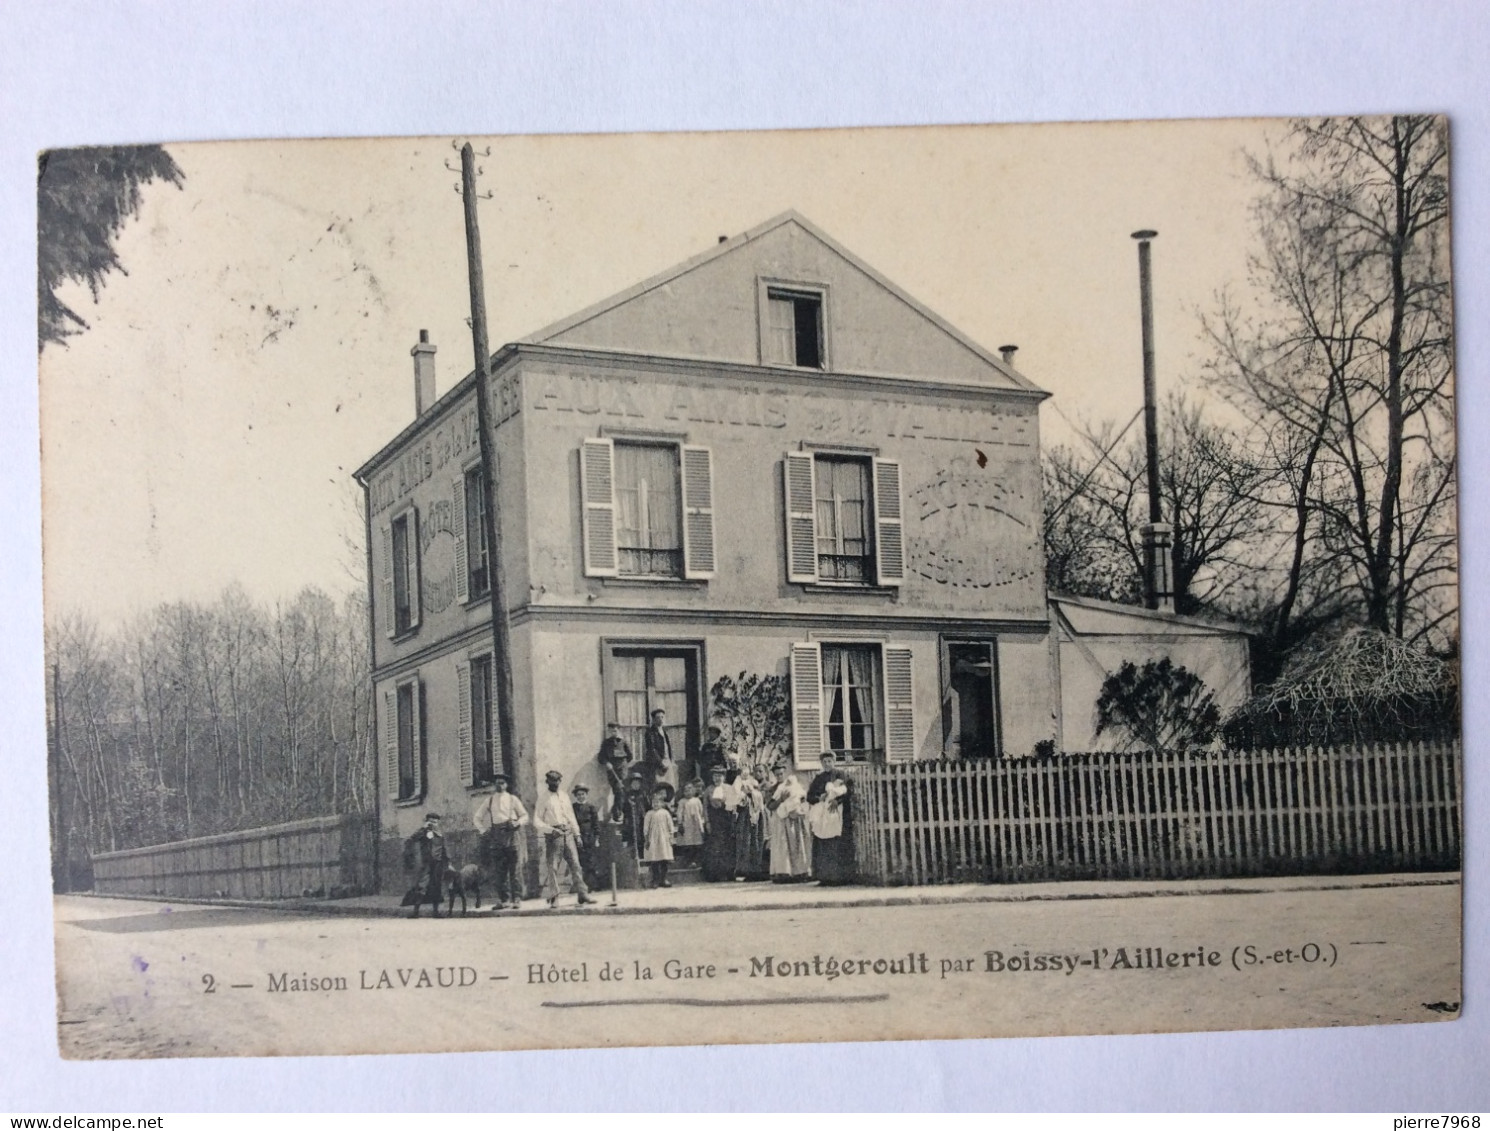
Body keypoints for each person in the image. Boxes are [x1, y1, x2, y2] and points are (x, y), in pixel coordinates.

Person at [533, 769, 599, 908]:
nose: (555, 783)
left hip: (568, 833)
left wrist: (577, 834)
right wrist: (551, 830)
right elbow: (536, 821)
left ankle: (582, 894)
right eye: (552, 781)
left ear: (560, 781)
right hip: (553, 835)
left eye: (557, 781)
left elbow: (571, 816)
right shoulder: (543, 798)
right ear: (547, 782)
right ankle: (554, 897)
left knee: (576, 864)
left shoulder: (564, 796)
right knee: (553, 867)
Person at [471, 772, 528, 909]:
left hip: (512, 835)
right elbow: (477, 817)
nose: (499, 785)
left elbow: (525, 816)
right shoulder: (489, 800)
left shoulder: (513, 799)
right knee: (499, 871)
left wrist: (518, 823)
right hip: (496, 837)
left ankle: (517, 899)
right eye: (497, 783)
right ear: (494, 785)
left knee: (515, 869)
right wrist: (483, 831)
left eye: (502, 783)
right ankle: (504, 900)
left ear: (506, 785)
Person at [806, 751, 854, 885]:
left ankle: (840, 877)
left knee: (837, 843)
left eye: (829, 761)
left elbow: (848, 791)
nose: (827, 764)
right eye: (824, 761)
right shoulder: (819, 778)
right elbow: (809, 796)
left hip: (837, 814)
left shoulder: (841, 775)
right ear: (821, 763)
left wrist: (837, 801)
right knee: (822, 843)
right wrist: (818, 798)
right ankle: (824, 877)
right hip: (822, 816)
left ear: (834, 762)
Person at [766, 765, 813, 882]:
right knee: (783, 846)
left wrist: (801, 801)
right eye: (777, 774)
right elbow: (770, 806)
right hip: (781, 820)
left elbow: (802, 798)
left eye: (781, 774)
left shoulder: (794, 786)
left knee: (797, 843)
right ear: (774, 775)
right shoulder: (773, 789)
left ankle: (800, 871)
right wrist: (781, 799)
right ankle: (784, 872)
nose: (780, 776)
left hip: (795, 818)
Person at [401, 813, 450, 918]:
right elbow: (412, 839)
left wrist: (448, 863)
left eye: (435, 822)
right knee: (422, 886)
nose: (433, 824)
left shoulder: (440, 834)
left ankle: (436, 912)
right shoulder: (423, 833)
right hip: (426, 864)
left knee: (437, 886)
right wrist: (423, 828)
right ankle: (415, 912)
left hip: (438, 864)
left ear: (438, 823)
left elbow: (444, 849)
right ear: (427, 822)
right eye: (431, 822)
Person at [732, 763, 768, 880]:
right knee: (746, 841)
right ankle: (746, 869)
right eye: (755, 772)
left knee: (758, 840)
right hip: (747, 815)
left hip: (759, 814)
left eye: (760, 771)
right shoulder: (744, 783)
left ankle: (758, 869)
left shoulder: (765, 785)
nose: (758, 774)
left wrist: (752, 793)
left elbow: (762, 799)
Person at [701, 764, 737, 882]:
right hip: (714, 820)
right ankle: (715, 874)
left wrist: (733, 821)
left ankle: (729, 873)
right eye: (715, 776)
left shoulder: (729, 788)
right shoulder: (708, 790)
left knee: (728, 846)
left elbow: (733, 806)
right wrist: (707, 822)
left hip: (726, 819)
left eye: (720, 776)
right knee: (715, 847)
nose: (717, 778)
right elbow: (705, 808)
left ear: (724, 777)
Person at [641, 786, 676, 888]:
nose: (656, 804)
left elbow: (670, 825)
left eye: (658, 802)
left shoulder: (665, 813)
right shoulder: (649, 814)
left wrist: (671, 836)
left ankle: (663, 879)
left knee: (664, 859)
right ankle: (655, 880)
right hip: (653, 839)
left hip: (664, 839)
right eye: (654, 802)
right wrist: (646, 838)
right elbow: (646, 827)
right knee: (655, 859)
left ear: (662, 803)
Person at [570, 784, 601, 890]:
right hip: (577, 838)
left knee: (591, 861)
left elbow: (596, 824)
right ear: (575, 796)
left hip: (590, 838)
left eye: (583, 794)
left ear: (586, 795)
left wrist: (596, 839)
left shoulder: (591, 807)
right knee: (580, 862)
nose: (581, 796)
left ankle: (592, 885)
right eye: (578, 795)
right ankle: (580, 887)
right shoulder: (573, 808)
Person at [596, 721, 634, 805]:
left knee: (620, 789)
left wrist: (623, 764)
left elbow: (630, 756)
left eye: (615, 730)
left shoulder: (623, 742)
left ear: (618, 731)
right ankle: (619, 813)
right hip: (612, 771)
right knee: (618, 791)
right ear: (609, 731)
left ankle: (617, 813)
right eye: (611, 731)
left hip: (622, 771)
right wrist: (607, 763)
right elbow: (600, 757)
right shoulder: (606, 743)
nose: (613, 733)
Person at [642, 708, 678, 793]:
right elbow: (652, 749)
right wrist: (660, 763)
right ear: (654, 719)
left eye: (662, 717)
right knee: (659, 785)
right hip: (657, 763)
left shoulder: (664, 732)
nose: (661, 719)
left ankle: (669, 804)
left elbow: (667, 746)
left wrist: (671, 760)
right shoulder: (650, 732)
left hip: (667, 761)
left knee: (670, 784)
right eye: (658, 717)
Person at [675, 779, 706, 867]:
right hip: (687, 824)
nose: (688, 792)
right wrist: (680, 823)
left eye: (690, 790)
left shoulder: (697, 800)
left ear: (694, 790)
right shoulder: (682, 802)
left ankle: (696, 861)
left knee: (697, 842)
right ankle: (688, 861)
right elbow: (679, 813)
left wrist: (701, 822)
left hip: (696, 824)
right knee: (688, 843)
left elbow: (701, 811)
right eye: (686, 790)